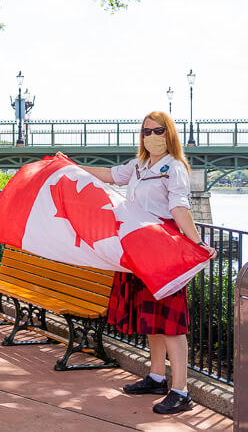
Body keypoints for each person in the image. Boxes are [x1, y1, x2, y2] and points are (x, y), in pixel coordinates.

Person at [82, 111, 216, 415]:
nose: (152, 137)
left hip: (162, 248)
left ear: (169, 134)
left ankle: (181, 390)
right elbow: (110, 175)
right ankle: (157, 376)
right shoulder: (140, 165)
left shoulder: (175, 168)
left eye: (158, 131)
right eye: (146, 131)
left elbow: (179, 207)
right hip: (139, 248)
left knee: (170, 321)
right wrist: (73, 168)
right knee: (151, 318)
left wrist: (196, 242)